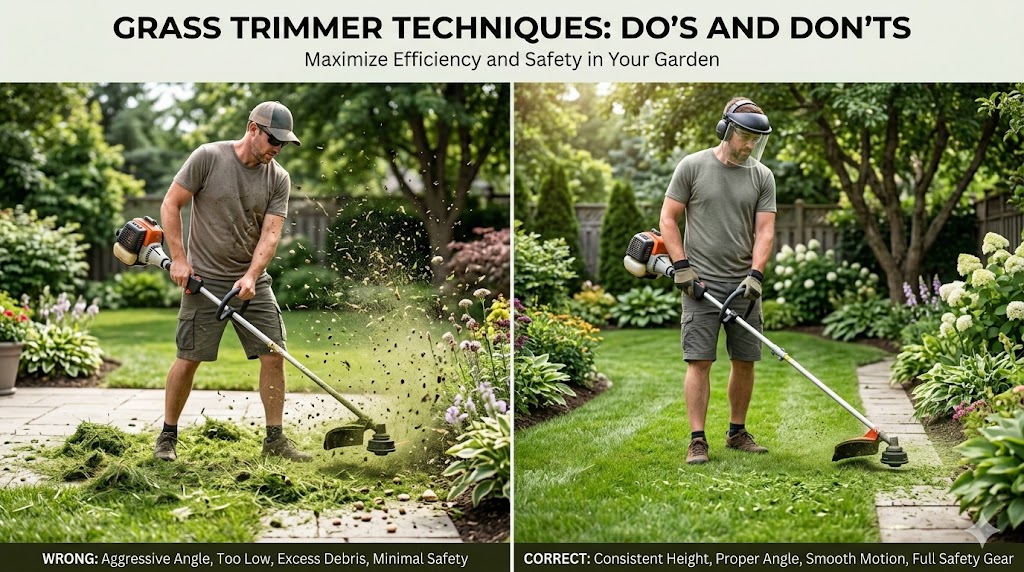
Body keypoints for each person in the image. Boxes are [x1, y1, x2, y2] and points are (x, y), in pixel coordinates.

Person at [153, 101, 311, 462]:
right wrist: (179, 258)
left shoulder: (278, 178)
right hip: (203, 281)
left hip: (251, 282)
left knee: (273, 354)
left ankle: (275, 442)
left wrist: (252, 276)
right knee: (188, 357)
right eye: (274, 139)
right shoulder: (208, 157)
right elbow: (170, 203)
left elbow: (270, 235)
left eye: (284, 143)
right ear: (253, 128)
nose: (278, 148)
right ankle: (167, 436)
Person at [659, 97, 777, 465]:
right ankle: (697, 439)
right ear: (726, 129)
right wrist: (682, 268)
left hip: (744, 286)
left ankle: (737, 432)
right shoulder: (692, 167)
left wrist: (756, 274)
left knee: (745, 360)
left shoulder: (762, 176)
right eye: (744, 136)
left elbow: (765, 231)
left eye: (757, 139)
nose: (750, 145)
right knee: (700, 361)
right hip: (701, 285)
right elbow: (668, 220)